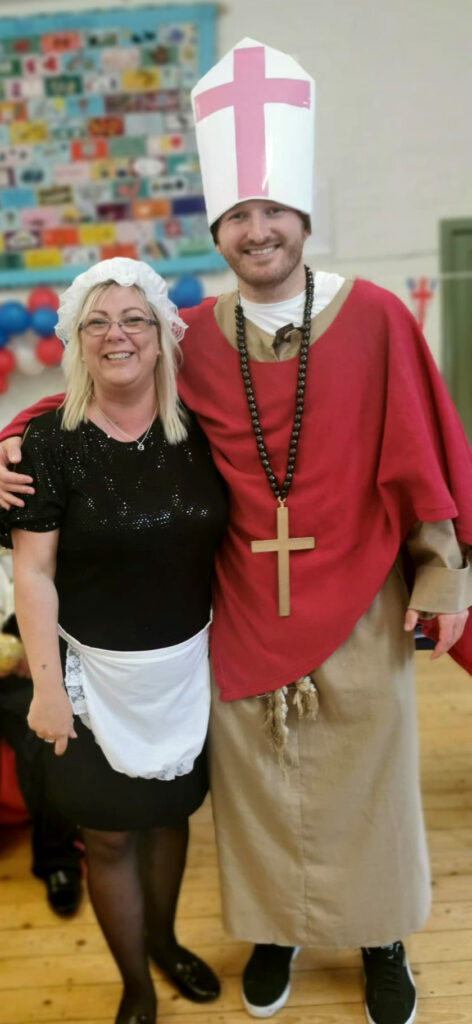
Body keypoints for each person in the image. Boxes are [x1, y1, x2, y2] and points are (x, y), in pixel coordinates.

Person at [1, 36, 472, 1024]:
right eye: (238, 216)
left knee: (368, 784)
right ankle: (278, 930)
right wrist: (1, 443)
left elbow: (420, 448)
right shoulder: (194, 337)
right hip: (244, 609)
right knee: (261, 791)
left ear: (302, 219)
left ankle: (381, 937)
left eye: (273, 211)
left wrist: (439, 577)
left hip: (360, 599)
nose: (257, 230)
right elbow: (97, 398)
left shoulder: (376, 316)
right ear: (217, 230)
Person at [0, 259, 228, 1024]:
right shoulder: (47, 443)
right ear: (76, 341)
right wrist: (47, 689)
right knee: (106, 839)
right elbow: (33, 573)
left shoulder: (204, 432)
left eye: (134, 318)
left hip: (185, 673)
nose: (116, 334)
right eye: (96, 322)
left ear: (162, 336)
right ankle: (135, 984)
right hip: (88, 678)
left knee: (169, 818)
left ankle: (164, 942)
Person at [0, 552, 82, 915]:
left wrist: (32, 651)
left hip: (29, 667)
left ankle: (57, 859)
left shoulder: (35, 528)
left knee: (44, 736)